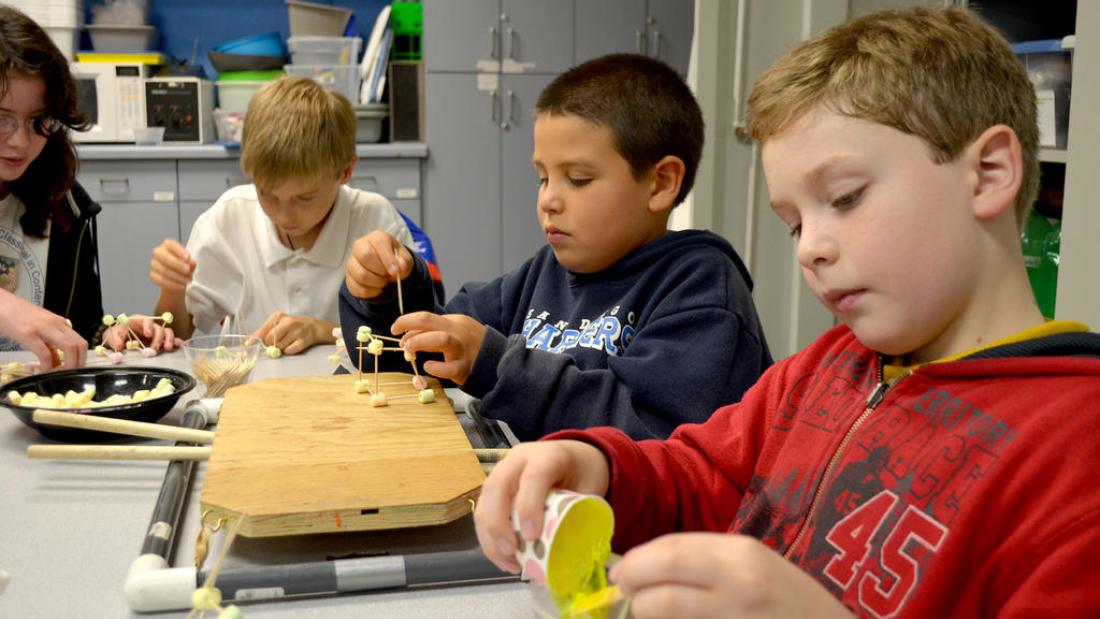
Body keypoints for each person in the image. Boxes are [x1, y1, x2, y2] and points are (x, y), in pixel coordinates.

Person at [474, 7, 1100, 618]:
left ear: (989, 173)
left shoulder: (1076, 456)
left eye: (846, 198)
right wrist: (602, 466)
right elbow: (702, 474)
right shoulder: (822, 370)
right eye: (793, 223)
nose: (811, 247)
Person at [340, 53, 771, 440]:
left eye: (578, 179)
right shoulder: (544, 273)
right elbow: (431, 353)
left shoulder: (702, 291)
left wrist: (495, 363)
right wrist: (383, 295)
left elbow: (655, 437)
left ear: (660, 183)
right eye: (543, 177)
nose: (548, 199)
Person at [149, 75, 413, 354]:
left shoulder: (376, 223)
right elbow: (176, 333)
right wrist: (172, 289)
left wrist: (321, 330)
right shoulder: (230, 216)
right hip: (248, 390)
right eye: (266, 194)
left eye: (305, 198)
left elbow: (408, 339)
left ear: (345, 172)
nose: (284, 215)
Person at [0, 5, 104, 369]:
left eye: (38, 120)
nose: (20, 143)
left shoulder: (65, 203)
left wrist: (113, 335)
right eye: (2, 119)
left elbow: (80, 327)